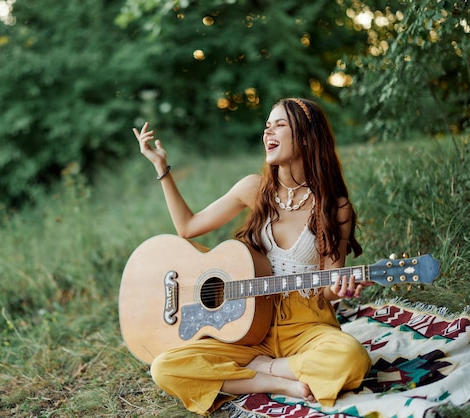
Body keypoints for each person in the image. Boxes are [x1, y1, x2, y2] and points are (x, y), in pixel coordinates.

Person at [132, 97, 372, 416]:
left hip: (305, 323)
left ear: (305, 136)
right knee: (164, 367)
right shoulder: (253, 189)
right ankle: (274, 381)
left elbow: (329, 286)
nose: (268, 132)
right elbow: (188, 226)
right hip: (245, 323)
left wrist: (342, 288)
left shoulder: (334, 207)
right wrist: (161, 167)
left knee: (351, 358)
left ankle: (267, 369)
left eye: (279, 125)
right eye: (266, 126)